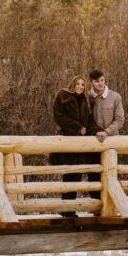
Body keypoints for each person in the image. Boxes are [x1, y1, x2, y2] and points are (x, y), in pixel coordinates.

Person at [49, 75, 98, 218]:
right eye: (78, 84)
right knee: (69, 174)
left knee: (79, 174)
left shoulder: (86, 100)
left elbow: (89, 121)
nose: (81, 86)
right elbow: (58, 116)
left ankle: (75, 209)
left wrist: (95, 131)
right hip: (68, 140)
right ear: (73, 84)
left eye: (83, 84)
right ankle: (67, 209)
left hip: (81, 143)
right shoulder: (63, 96)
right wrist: (77, 128)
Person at [88, 69, 124, 140]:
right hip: (92, 139)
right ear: (91, 82)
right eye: (97, 81)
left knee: (111, 152)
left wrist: (106, 132)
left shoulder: (115, 97)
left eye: (102, 80)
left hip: (112, 139)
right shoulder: (87, 97)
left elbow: (120, 120)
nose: (100, 83)